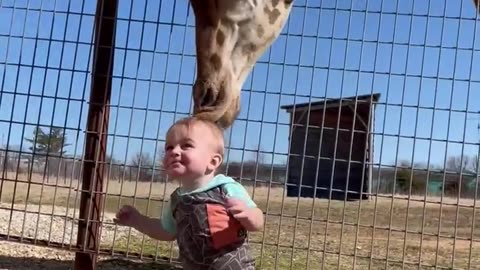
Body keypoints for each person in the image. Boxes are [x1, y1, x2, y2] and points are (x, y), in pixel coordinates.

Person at [114, 116, 264, 269]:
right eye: (169, 147)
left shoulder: (226, 188)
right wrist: (137, 220)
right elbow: (166, 231)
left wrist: (249, 215)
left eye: (186, 145)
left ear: (213, 161)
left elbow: (258, 219)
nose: (174, 152)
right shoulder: (176, 200)